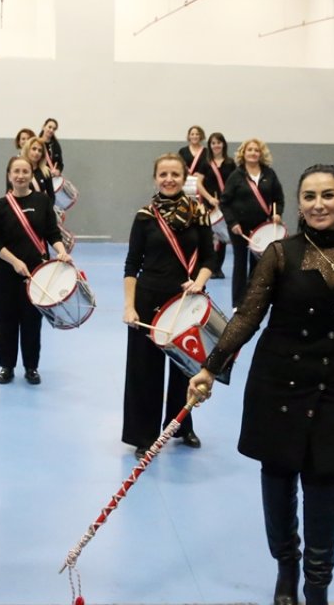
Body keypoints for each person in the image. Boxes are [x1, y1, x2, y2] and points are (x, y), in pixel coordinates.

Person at [189, 164, 334, 605]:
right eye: (310, 196)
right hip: (278, 383)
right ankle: (286, 566)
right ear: (298, 204)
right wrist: (210, 366)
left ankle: (318, 582)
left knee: (324, 482)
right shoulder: (280, 253)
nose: (319, 204)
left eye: (328, 195)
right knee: (277, 479)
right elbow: (248, 316)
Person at [122, 154, 215, 458]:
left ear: (184, 177)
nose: (169, 179)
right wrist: (129, 306)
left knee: (185, 368)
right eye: (163, 174)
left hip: (185, 300)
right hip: (148, 299)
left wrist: (200, 281)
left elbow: (210, 258)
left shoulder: (198, 213)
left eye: (175, 174)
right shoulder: (145, 216)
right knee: (144, 371)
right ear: (155, 178)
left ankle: (181, 426)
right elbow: (132, 264)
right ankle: (143, 434)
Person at [0, 156, 72, 386]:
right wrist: (14, 261)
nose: (21, 175)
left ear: (31, 175)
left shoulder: (42, 202)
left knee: (32, 320)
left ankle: (31, 367)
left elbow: (52, 233)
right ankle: (7, 366)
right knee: (5, 320)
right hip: (4, 274)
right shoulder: (0, 206)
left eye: (25, 171)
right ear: (9, 175)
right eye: (16, 171)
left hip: (36, 273)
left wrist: (61, 251)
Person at [220, 138, 284, 307]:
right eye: (250, 150)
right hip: (239, 228)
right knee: (240, 264)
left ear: (260, 154)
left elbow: (278, 198)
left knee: (259, 266)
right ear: (243, 153)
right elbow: (224, 202)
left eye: (256, 150)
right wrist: (232, 223)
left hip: (261, 227)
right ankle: (238, 303)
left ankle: (255, 300)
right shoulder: (236, 175)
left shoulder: (269, 174)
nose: (253, 153)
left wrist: (278, 214)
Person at [204, 132, 235, 279]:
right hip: (209, 204)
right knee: (210, 237)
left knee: (222, 236)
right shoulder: (206, 163)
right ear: (210, 146)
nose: (216, 145)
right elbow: (198, 183)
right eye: (213, 143)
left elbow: (236, 183)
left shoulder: (230, 163)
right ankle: (209, 267)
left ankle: (218, 268)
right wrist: (209, 198)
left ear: (223, 144)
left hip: (225, 204)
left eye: (219, 142)